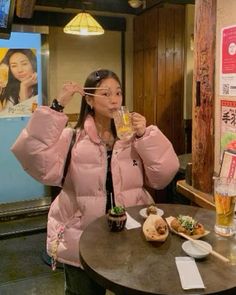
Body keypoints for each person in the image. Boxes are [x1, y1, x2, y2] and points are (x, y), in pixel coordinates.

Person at [11, 69, 179, 295]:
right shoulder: (72, 139)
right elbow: (30, 153)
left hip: (130, 234)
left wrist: (145, 136)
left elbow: (163, 176)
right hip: (81, 236)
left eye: (118, 93)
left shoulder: (132, 139)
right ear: (89, 99)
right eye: (106, 94)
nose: (114, 100)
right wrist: (57, 107)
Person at [0, 48, 38, 112]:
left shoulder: (40, 89)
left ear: (33, 64)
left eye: (24, 64)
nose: (20, 70)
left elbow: (29, 116)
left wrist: (24, 87)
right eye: (14, 66)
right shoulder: (8, 90)